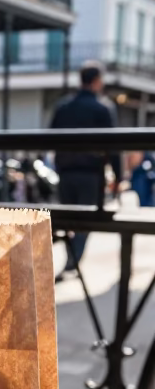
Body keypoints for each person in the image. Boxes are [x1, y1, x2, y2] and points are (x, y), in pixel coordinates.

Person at [50, 61, 121, 275]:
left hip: (65, 172)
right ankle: (72, 262)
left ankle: (68, 260)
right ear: (97, 81)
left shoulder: (63, 106)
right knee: (85, 221)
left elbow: (50, 137)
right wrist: (118, 176)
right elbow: (113, 146)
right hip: (91, 174)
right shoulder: (103, 108)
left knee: (68, 219)